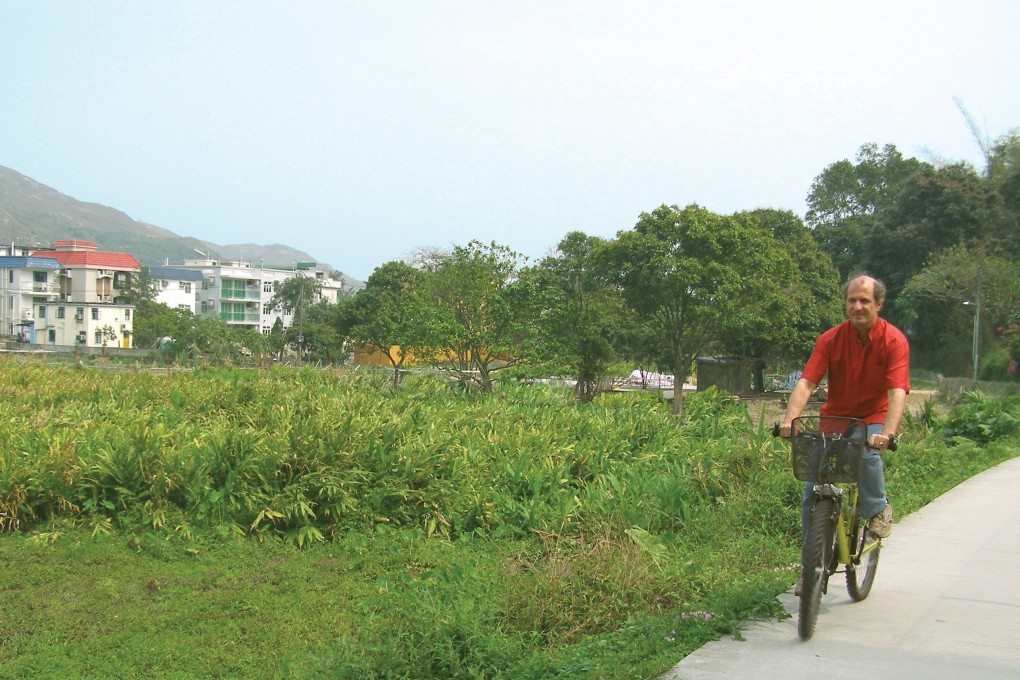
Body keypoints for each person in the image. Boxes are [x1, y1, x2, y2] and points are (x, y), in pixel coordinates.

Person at [780, 274, 910, 595]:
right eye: (852, 300)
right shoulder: (830, 339)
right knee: (813, 489)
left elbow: (896, 393)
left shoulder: (894, 341)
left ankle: (878, 509)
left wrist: (888, 433)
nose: (857, 306)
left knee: (867, 455)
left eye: (864, 300)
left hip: (874, 416)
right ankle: (810, 570)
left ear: (878, 304)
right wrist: (790, 418)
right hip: (836, 418)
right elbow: (807, 382)